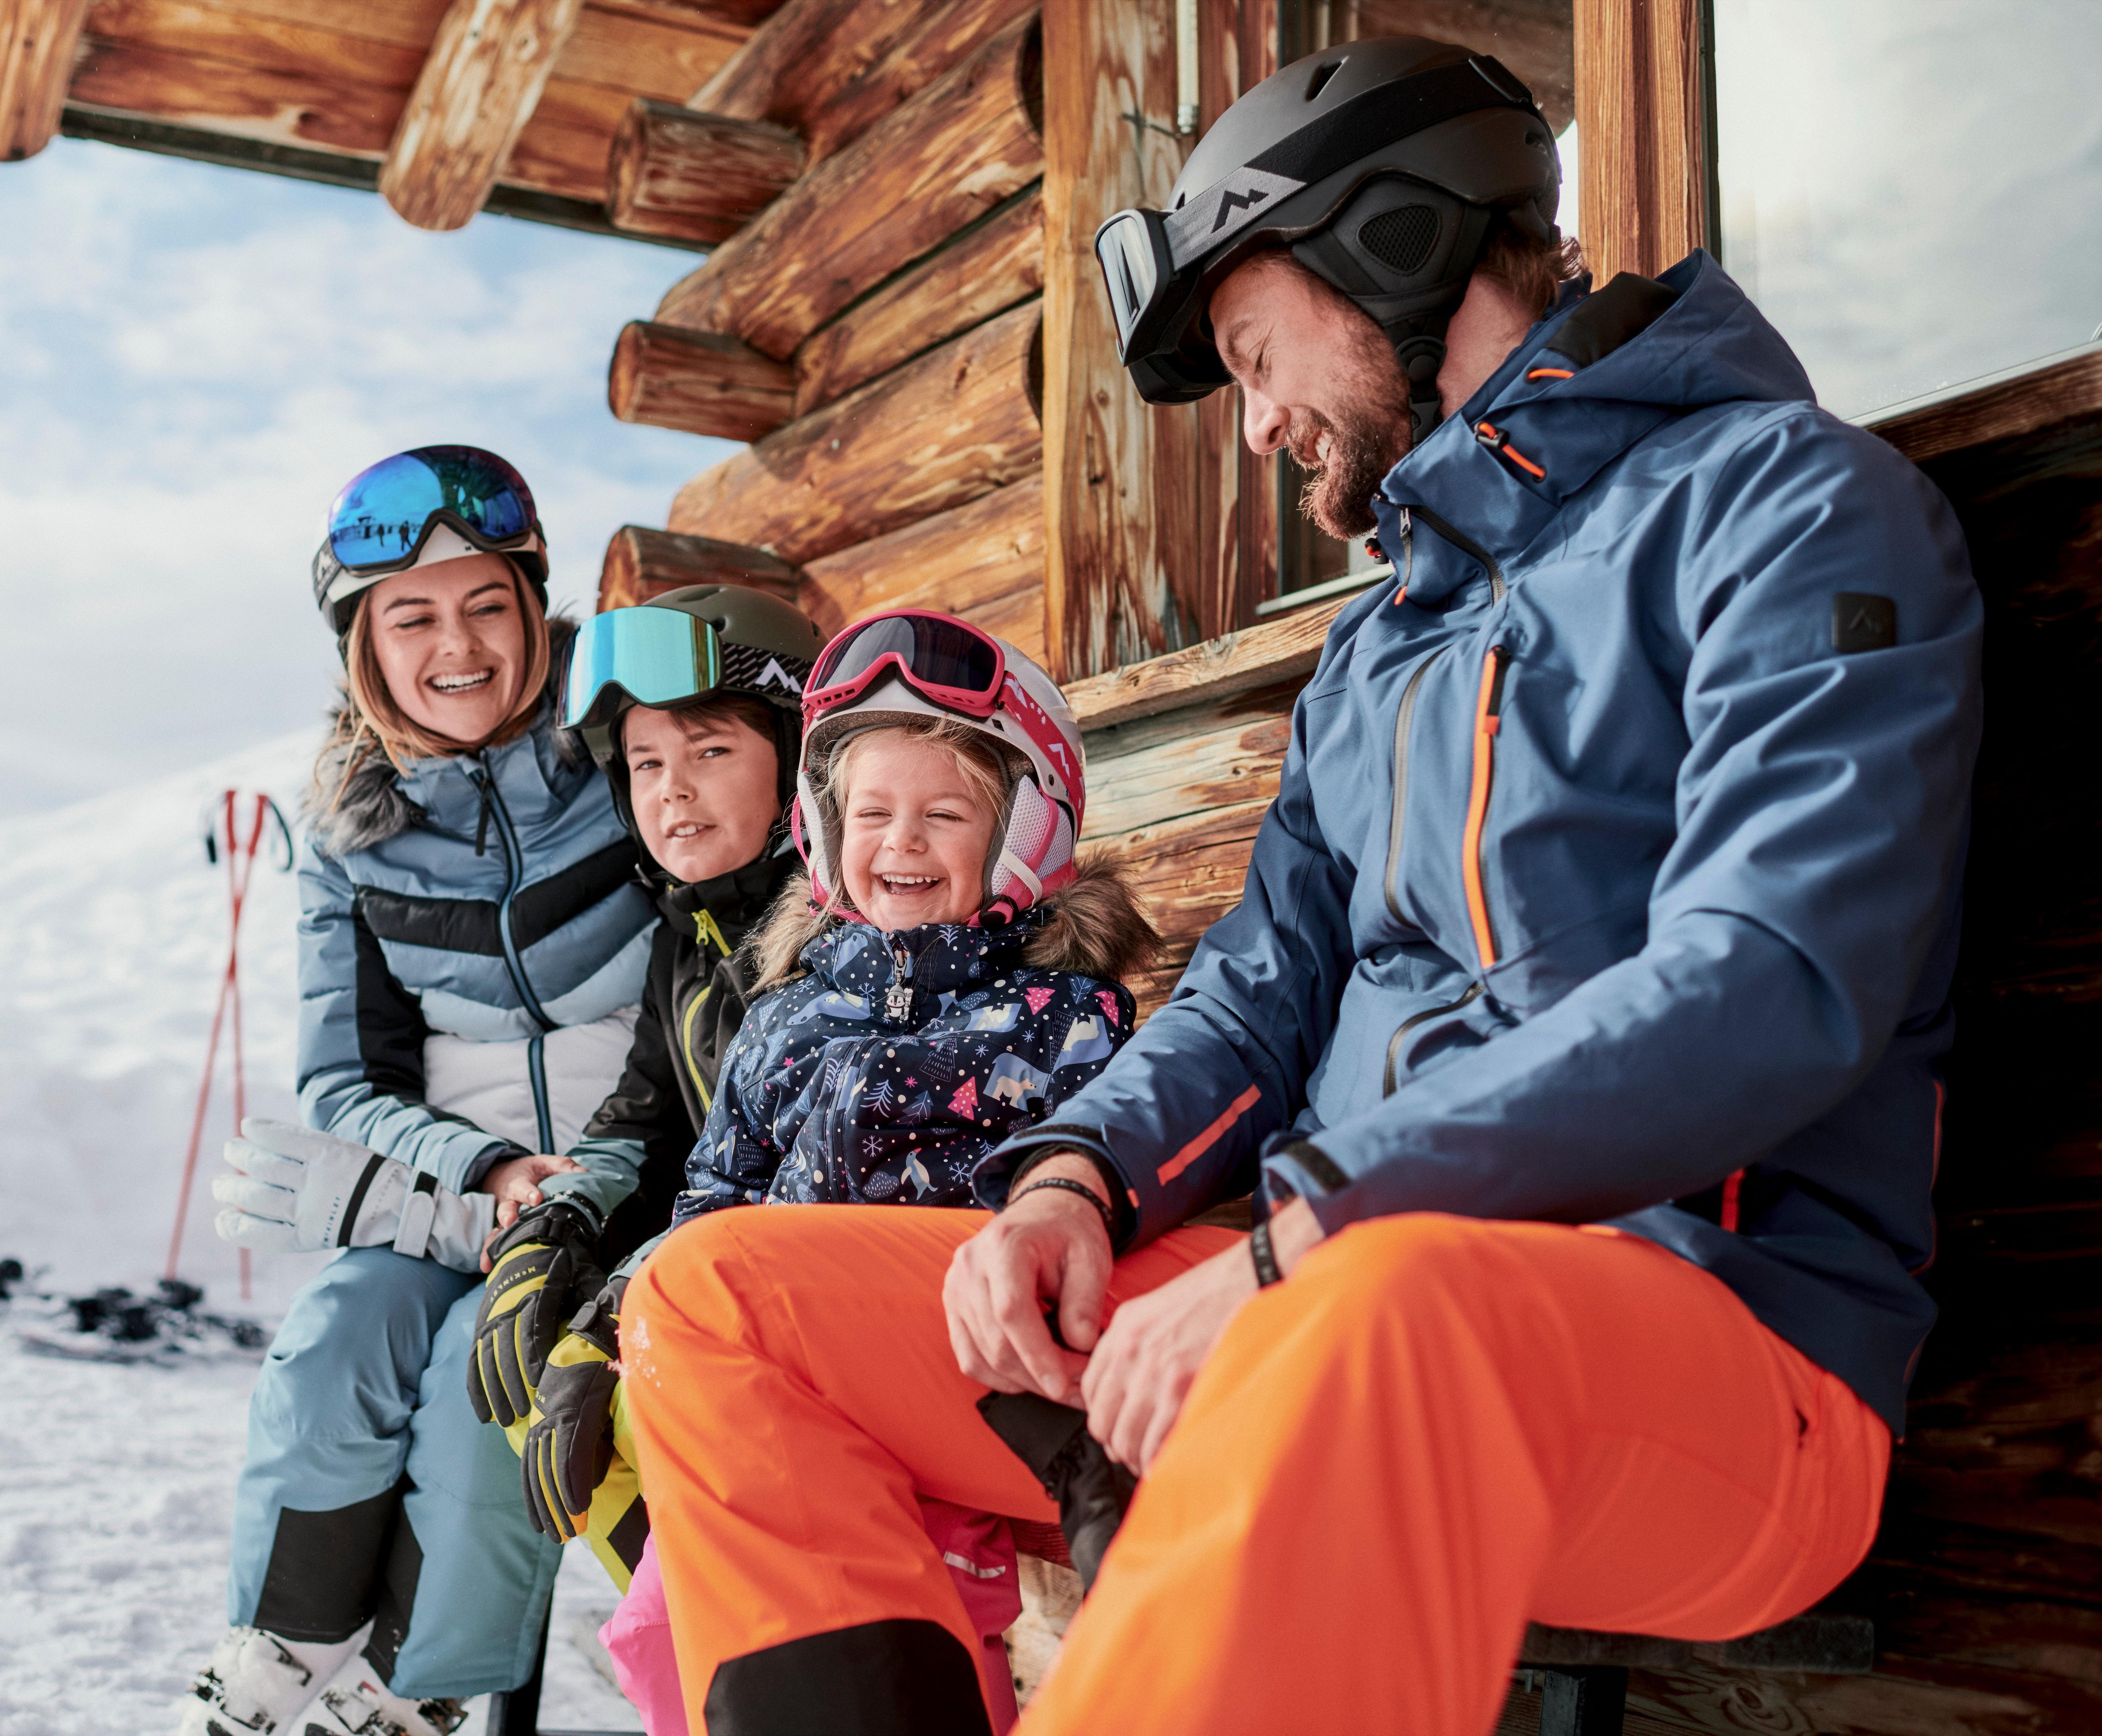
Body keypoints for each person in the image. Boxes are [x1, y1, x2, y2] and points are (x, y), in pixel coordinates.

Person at [619, 36, 1982, 1736]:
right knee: (719, 1299)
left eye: (1258, 356)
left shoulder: (1790, 509)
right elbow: (1257, 997)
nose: (1258, 425)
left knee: (1380, 1313)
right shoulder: (1378, 654)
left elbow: (1769, 980)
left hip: (1723, 1360)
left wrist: (1319, 1223)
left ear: (1396, 245)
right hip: (1320, 1290)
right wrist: (1071, 1182)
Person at [574, 610, 1158, 1736]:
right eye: (873, 814)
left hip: (960, 1374)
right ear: (824, 826)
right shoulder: (785, 1017)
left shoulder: (1064, 1017)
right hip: (785, 1390)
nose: (902, 843)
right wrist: (617, 1316)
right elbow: (716, 1196)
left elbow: (1092, 1181)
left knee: (924, 1621)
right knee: (663, 1630)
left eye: (946, 815)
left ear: (1023, 833)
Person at [179, 446, 664, 1736]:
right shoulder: (351, 834)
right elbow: (344, 1077)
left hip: (628, 1190)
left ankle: (412, 1687)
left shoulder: (627, 756)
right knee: (338, 1339)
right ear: (364, 647)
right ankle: (282, 1644)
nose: (457, 645)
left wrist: (578, 1189)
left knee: (479, 1379)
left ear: (534, 609)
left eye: (486, 603)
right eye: (412, 618)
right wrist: (483, 1170)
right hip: (462, 1197)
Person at [464, 583, 824, 1591]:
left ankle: (752, 1633)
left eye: (710, 752)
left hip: (821, 1299)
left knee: (625, 1389)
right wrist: (563, 1222)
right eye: (646, 763)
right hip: (729, 1285)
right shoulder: (691, 935)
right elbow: (644, 1118)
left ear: (801, 760)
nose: (672, 791)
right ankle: (696, 1641)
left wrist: (629, 1299)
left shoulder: (844, 938)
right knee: (531, 1347)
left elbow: (811, 1179)